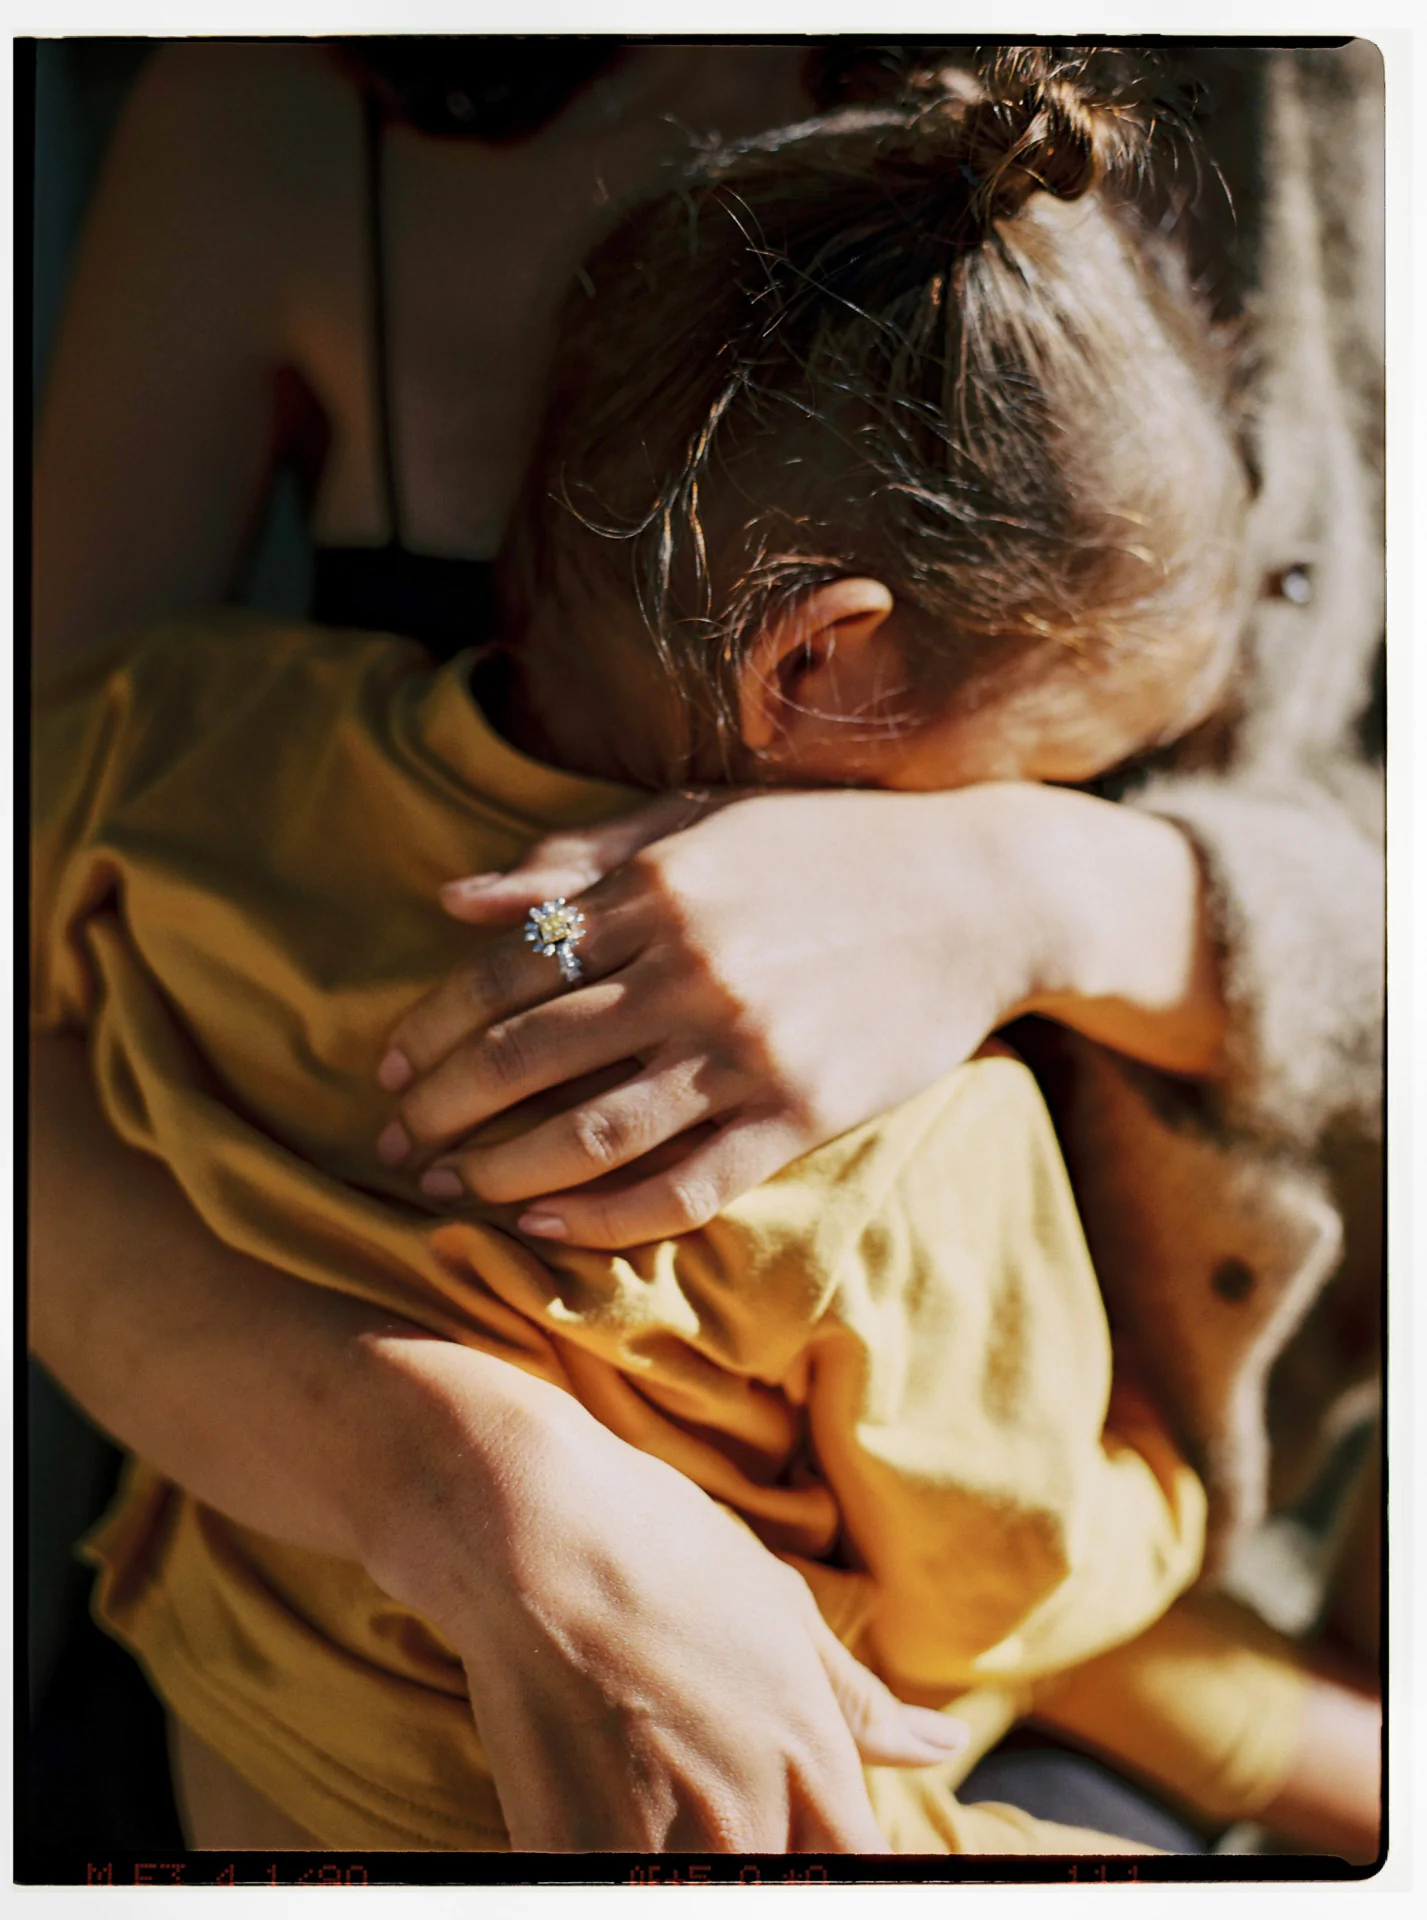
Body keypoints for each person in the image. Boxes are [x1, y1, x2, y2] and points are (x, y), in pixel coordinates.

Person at [30, 40, 1383, 1853]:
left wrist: (1030, 882)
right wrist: (1155, 1491)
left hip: (241, 1718)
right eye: (1063, 763)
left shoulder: (174, 748)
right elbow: (998, 1580)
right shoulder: (910, 1163)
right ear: (819, 663)